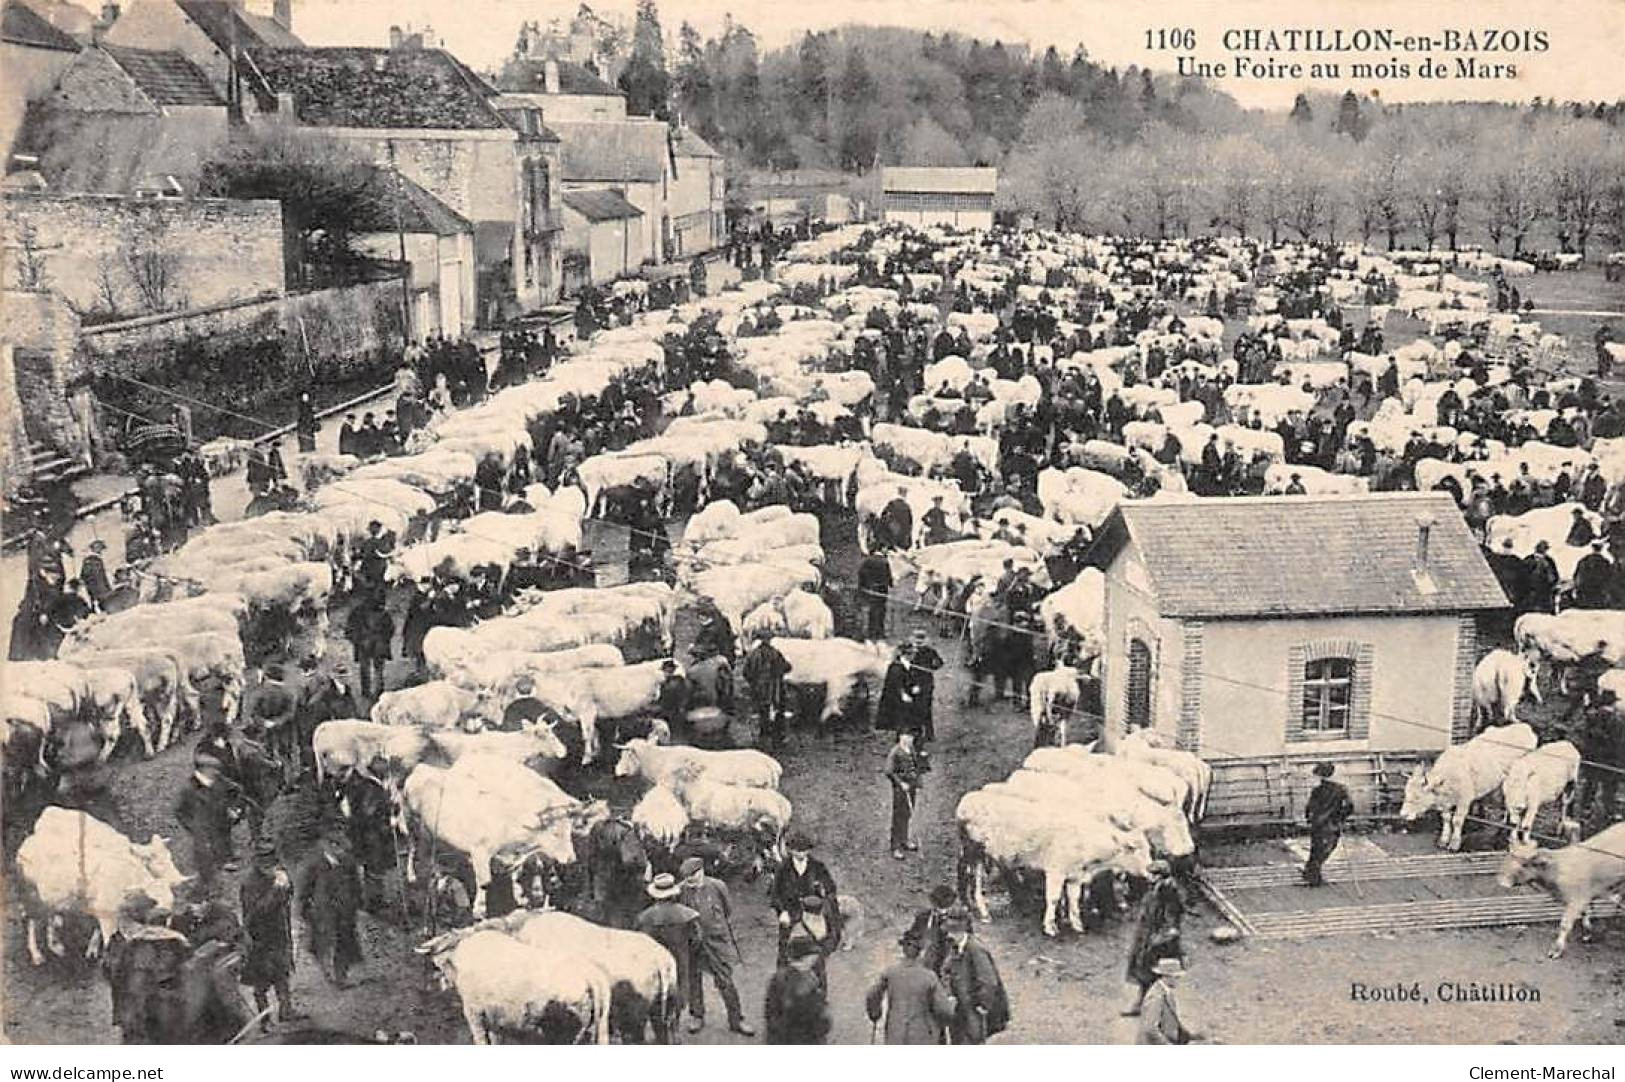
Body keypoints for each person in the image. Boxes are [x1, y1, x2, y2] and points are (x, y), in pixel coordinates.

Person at [677, 857, 755, 1036]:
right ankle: (697, 1016)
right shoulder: (681, 890)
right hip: (693, 942)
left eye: (694, 876)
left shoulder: (717, 886)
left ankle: (737, 1020)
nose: (691, 880)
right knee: (693, 979)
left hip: (716, 941)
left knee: (725, 980)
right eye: (687, 877)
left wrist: (715, 929)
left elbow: (727, 910)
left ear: (702, 871)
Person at [239, 838, 299, 1023]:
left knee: (282, 973)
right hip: (260, 937)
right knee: (262, 981)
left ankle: (286, 1011)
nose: (272, 867)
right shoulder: (250, 883)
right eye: (267, 863)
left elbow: (288, 894)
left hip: (279, 932)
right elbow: (257, 912)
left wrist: (286, 887)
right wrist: (275, 890)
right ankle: (263, 1019)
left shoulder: (277, 873)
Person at [636, 873, 701, 1035]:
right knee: (677, 993)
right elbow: (697, 939)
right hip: (680, 960)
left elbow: (638, 942)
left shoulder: (645, 917)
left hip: (653, 965)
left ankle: (661, 1032)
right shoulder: (687, 915)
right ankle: (675, 1028)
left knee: (656, 994)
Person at [865, 929, 956, 1045]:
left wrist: (875, 1013)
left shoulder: (890, 973)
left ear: (903, 949)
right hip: (923, 1037)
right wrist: (951, 1005)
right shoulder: (929, 977)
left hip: (895, 1033)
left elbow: (872, 995)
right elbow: (944, 1010)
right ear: (921, 952)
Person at [297, 833, 363, 988]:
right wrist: (304, 911)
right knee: (326, 943)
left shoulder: (348, 863)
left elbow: (356, 885)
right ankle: (330, 972)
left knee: (345, 941)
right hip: (324, 912)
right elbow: (305, 890)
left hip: (345, 910)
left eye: (344, 849)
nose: (342, 852)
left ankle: (341, 975)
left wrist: (357, 903)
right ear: (330, 847)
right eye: (339, 848)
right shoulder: (314, 865)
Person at [937, 907, 1009, 1045]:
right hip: (959, 1007)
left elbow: (989, 981)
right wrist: (949, 993)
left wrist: (982, 1004)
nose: (949, 935)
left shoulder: (976, 949)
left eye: (953, 931)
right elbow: (945, 971)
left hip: (973, 1007)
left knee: (973, 1040)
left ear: (962, 931)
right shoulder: (953, 947)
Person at [1123, 860, 1184, 1015]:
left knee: (1157, 974)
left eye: (1152, 874)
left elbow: (1171, 920)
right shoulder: (1155, 889)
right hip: (1148, 935)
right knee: (1145, 973)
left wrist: (1160, 938)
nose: (1148, 876)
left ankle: (1158, 1009)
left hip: (1159, 941)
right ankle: (1142, 1004)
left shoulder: (1168, 893)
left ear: (1159, 876)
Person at [770, 831, 841, 965]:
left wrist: (822, 899)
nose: (801, 854)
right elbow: (775, 894)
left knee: (815, 952)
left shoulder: (818, 866)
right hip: (791, 913)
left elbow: (831, 888)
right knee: (785, 950)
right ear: (790, 850)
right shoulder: (783, 868)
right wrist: (782, 911)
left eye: (804, 850)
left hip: (813, 914)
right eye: (797, 851)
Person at [174, 758, 238, 896]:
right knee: (204, 857)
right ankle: (207, 887)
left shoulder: (219, 781)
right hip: (202, 828)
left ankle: (219, 873)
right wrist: (192, 826)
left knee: (220, 849)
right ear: (204, 770)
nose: (217, 772)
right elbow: (179, 811)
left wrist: (232, 808)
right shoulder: (188, 788)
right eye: (213, 769)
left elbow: (235, 790)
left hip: (219, 822)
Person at [763, 937, 831, 1044]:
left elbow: (770, 1011)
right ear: (806, 957)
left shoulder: (777, 978)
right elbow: (820, 1022)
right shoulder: (808, 984)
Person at [1303, 762, 1354, 886]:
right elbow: (1349, 806)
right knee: (1327, 848)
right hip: (1332, 823)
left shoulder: (1317, 790)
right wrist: (1341, 818)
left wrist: (1310, 819)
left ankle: (1310, 872)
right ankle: (1313, 875)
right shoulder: (1341, 789)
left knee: (1316, 848)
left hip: (1317, 823)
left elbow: (1309, 807)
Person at [742, 631, 792, 748]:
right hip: (776, 688)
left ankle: (763, 737)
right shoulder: (775, 653)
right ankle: (778, 738)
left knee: (762, 712)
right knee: (778, 712)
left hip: (759, 689)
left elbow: (746, 672)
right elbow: (787, 667)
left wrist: (753, 682)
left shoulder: (753, 654)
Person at [345, 590, 395, 702]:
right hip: (374, 644)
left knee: (368, 669)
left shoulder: (357, 612)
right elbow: (390, 629)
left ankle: (369, 691)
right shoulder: (382, 613)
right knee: (376, 669)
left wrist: (357, 640)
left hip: (367, 644)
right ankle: (376, 691)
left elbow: (349, 630)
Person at [1137, 958, 1201, 1044]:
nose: (1179, 980)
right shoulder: (1156, 996)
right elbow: (1150, 1029)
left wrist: (1190, 1036)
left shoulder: (1165, 992)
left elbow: (1171, 1022)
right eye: (1177, 977)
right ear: (1167, 976)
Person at [885, 730, 926, 860]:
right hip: (900, 789)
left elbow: (915, 766)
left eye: (912, 737)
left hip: (911, 786)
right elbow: (889, 771)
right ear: (901, 737)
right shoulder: (895, 751)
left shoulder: (911, 749)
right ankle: (895, 846)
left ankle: (904, 839)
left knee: (908, 813)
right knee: (898, 816)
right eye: (908, 736)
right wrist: (901, 783)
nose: (910, 739)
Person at [905, 885, 958, 973]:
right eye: (939, 908)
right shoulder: (923, 918)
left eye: (946, 909)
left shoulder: (959, 919)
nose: (942, 912)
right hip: (928, 965)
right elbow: (912, 939)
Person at [857, 551, 894, 641]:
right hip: (882, 590)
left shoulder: (867, 561)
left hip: (870, 589)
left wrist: (862, 586)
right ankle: (880, 632)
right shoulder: (885, 561)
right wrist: (890, 584)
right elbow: (889, 576)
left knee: (872, 610)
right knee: (881, 610)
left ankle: (871, 631)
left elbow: (861, 573)